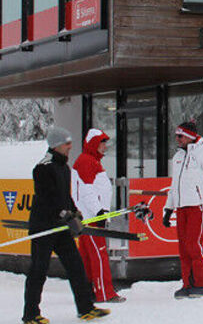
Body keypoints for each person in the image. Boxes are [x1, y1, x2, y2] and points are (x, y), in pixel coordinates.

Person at [23, 127, 110, 323]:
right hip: (44, 227)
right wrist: (65, 214)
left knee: (76, 267)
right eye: (67, 143)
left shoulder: (64, 167)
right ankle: (30, 314)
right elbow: (47, 198)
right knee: (38, 270)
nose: (70, 146)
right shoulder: (43, 168)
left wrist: (74, 211)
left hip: (60, 227)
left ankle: (85, 308)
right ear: (56, 145)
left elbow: (64, 196)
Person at [164, 121, 203, 299]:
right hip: (181, 206)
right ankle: (187, 284)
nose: (177, 139)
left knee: (193, 244)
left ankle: (202, 283)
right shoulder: (178, 157)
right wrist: (168, 208)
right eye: (176, 136)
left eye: (180, 136)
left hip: (198, 205)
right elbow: (174, 185)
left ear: (189, 136)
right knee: (183, 247)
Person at [71, 128, 123, 303]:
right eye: (102, 143)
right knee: (99, 255)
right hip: (92, 218)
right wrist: (99, 213)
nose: (105, 146)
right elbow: (86, 191)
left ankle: (88, 291)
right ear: (93, 144)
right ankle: (105, 293)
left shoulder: (90, 160)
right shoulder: (87, 161)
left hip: (88, 217)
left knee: (87, 257)